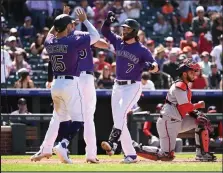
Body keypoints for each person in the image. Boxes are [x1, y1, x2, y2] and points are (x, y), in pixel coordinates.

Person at [30, 9, 100, 163]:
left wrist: (59, 21)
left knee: (61, 118)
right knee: (81, 118)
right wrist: (85, 20)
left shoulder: (50, 42)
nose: (72, 25)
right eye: (70, 24)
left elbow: (51, 34)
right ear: (68, 26)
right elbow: (97, 38)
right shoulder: (75, 39)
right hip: (73, 80)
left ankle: (56, 149)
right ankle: (67, 145)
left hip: (56, 82)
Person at [100, 11, 159, 163]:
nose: (123, 30)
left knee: (120, 115)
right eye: (123, 28)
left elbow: (156, 67)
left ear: (133, 31)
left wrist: (150, 66)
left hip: (133, 86)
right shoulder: (119, 41)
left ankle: (112, 143)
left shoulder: (141, 49)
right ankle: (131, 154)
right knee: (119, 119)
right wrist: (108, 21)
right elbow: (105, 32)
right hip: (117, 86)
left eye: (126, 29)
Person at [133, 59, 216, 162]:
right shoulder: (179, 86)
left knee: (201, 122)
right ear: (184, 74)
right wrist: (199, 105)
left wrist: (196, 114)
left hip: (177, 120)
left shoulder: (185, 86)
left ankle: (202, 154)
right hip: (168, 122)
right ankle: (135, 148)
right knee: (166, 155)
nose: (194, 74)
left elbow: (186, 109)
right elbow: (185, 107)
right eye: (191, 72)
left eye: (195, 71)